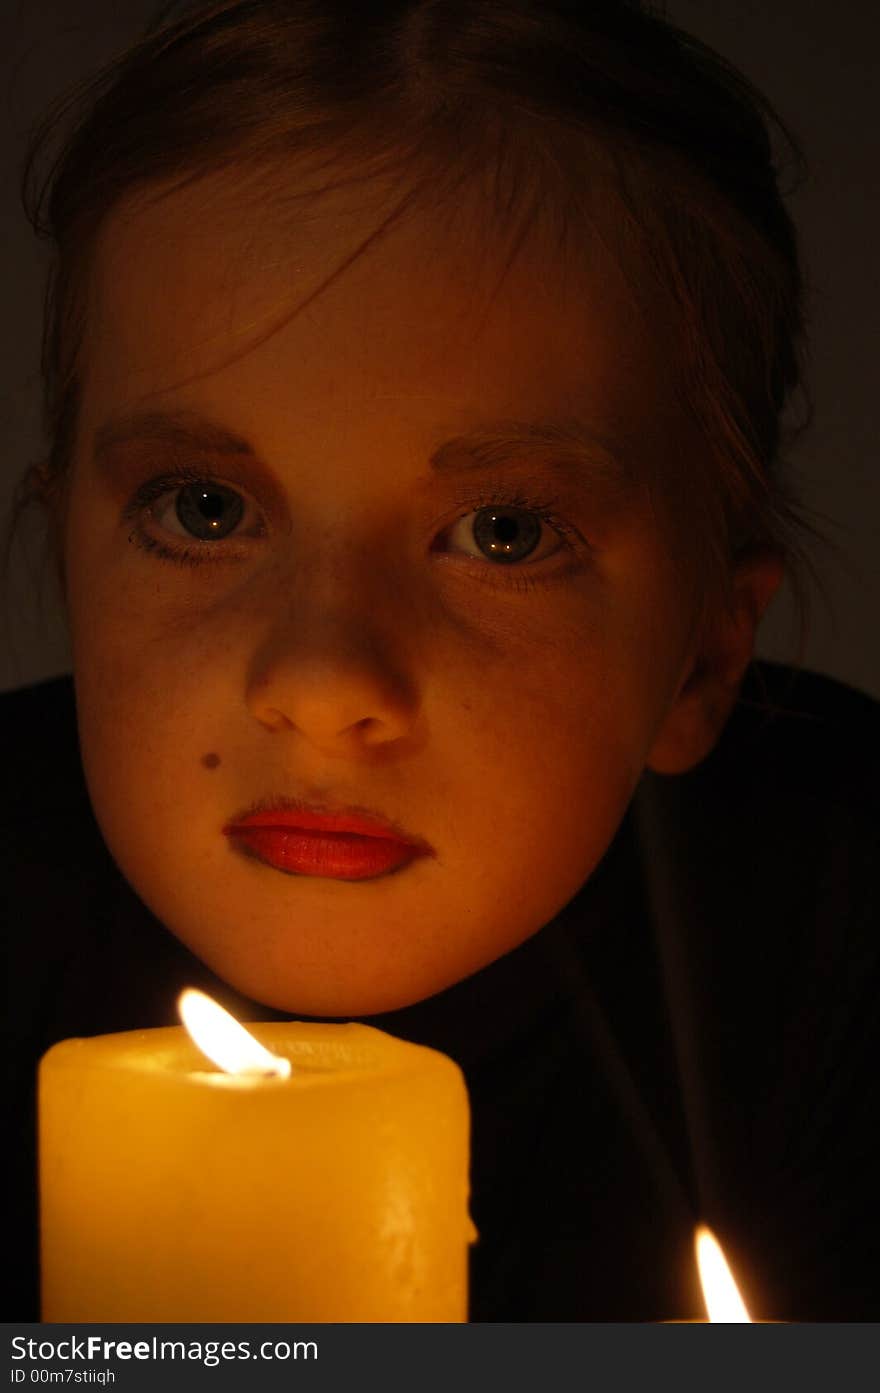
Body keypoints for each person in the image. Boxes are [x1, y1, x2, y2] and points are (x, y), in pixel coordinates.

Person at [3, 0, 878, 1322]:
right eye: (205, 508)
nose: (323, 681)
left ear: (706, 650)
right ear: (67, 552)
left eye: (505, 533)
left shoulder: (839, 936)